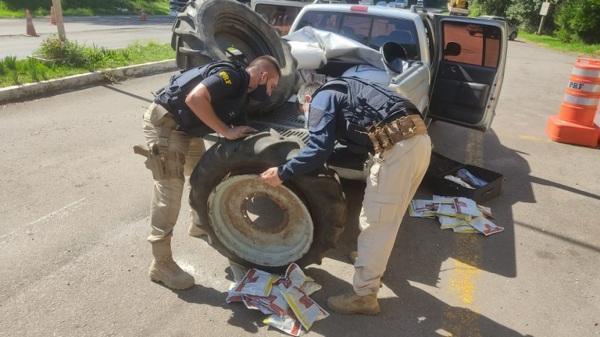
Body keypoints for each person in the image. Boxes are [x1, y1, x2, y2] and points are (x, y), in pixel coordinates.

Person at [260, 77, 431, 315]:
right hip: (418, 142)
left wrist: (283, 172)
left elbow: (319, 148)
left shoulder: (321, 98)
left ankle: (364, 296)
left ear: (307, 99)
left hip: (398, 149)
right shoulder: (349, 90)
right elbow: (355, 142)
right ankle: (369, 261)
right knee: (386, 217)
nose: (309, 117)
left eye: (304, 112)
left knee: (376, 223)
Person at [136, 56, 281, 290]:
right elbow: (195, 99)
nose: (271, 92)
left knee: (202, 175)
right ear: (263, 76)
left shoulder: (241, 93)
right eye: (273, 85)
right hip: (167, 124)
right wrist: (226, 131)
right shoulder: (231, 77)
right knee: (170, 189)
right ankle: (161, 264)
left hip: (187, 128)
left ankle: (199, 224)